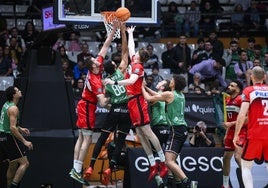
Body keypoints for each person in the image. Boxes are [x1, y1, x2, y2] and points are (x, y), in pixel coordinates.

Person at [104, 25, 168, 183]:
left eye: (138, 53)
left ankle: (163, 162)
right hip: (132, 102)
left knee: (147, 131)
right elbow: (131, 48)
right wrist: (130, 33)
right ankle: (153, 164)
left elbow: (132, 81)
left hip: (138, 100)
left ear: (140, 57)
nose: (135, 53)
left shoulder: (139, 67)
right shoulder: (135, 60)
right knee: (140, 133)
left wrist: (115, 81)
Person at [68, 21, 118, 186]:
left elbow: (105, 45)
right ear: (93, 67)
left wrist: (114, 29)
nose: (100, 62)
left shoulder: (95, 68)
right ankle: (77, 169)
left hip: (83, 105)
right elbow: (102, 103)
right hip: (88, 107)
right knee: (87, 139)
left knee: (81, 137)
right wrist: (113, 97)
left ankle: (75, 168)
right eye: (97, 63)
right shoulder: (95, 81)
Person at [83, 23, 131, 186]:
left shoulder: (105, 82)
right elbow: (125, 52)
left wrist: (111, 98)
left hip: (114, 110)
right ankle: (111, 168)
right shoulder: (122, 71)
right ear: (116, 67)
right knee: (120, 142)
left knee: (102, 138)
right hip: (126, 110)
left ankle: (90, 167)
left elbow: (103, 102)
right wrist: (124, 33)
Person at [142, 74, 192, 188]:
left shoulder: (169, 94)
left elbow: (149, 98)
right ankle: (179, 184)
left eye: (173, 80)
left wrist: (141, 87)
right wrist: (146, 88)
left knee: (169, 162)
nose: (171, 80)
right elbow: (158, 95)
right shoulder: (180, 95)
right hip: (183, 130)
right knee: (173, 161)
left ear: (175, 83)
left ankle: (188, 182)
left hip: (176, 130)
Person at [233, 66, 268, 188]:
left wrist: (236, 134)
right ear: (264, 77)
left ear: (251, 77)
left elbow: (242, 114)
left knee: (246, 165)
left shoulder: (248, 91)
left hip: (255, 135)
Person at [0, 86, 33, 188]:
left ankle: (9, 186)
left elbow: (8, 122)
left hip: (2, 136)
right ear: (14, 95)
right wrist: (24, 141)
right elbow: (12, 128)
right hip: (7, 136)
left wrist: (21, 128)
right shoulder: (14, 108)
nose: (20, 91)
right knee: (25, 163)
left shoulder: (7, 105)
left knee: (13, 163)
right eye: (18, 90)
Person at [222, 80, 246, 188]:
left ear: (238, 89)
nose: (229, 87)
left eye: (232, 86)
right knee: (226, 157)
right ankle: (226, 185)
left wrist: (231, 123)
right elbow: (229, 119)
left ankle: (248, 183)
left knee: (237, 157)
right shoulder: (228, 100)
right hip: (231, 132)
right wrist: (227, 133)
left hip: (241, 131)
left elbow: (247, 118)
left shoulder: (241, 99)